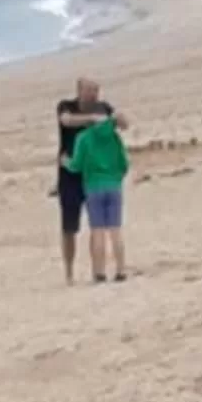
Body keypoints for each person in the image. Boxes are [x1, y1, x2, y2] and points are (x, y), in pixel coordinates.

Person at [54, 76, 120, 284]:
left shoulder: (103, 108)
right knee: (69, 227)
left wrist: (117, 119)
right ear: (80, 91)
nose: (94, 95)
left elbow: (119, 120)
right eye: (90, 91)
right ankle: (69, 272)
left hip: (94, 176)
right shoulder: (66, 106)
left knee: (97, 226)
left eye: (96, 91)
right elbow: (66, 120)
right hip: (69, 176)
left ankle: (97, 270)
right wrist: (92, 119)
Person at [68, 101, 130, 282]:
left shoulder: (84, 138)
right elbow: (124, 164)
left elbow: (76, 165)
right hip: (113, 186)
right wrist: (116, 178)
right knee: (115, 230)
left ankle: (99, 272)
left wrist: (65, 162)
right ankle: (121, 270)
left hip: (93, 187)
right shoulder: (114, 137)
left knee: (98, 231)